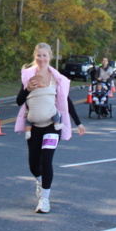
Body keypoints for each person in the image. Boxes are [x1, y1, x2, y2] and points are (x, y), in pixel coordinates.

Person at [14, 42, 85, 213]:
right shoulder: (28, 76)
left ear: (50, 57)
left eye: (44, 55)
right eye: (39, 55)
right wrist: (27, 89)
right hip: (34, 126)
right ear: (35, 56)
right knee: (34, 165)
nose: (41, 59)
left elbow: (66, 102)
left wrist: (78, 122)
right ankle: (40, 182)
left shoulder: (56, 78)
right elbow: (19, 101)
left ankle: (44, 199)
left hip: (53, 125)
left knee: (46, 159)